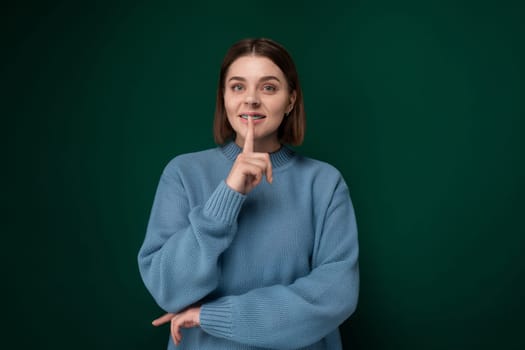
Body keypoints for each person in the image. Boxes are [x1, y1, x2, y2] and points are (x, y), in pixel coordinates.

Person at [138, 37, 359, 349]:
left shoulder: (324, 183)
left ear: (291, 99)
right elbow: (169, 290)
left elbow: (335, 296)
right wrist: (228, 194)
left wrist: (212, 316)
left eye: (268, 87)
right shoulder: (183, 174)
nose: (251, 99)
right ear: (224, 98)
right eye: (238, 87)